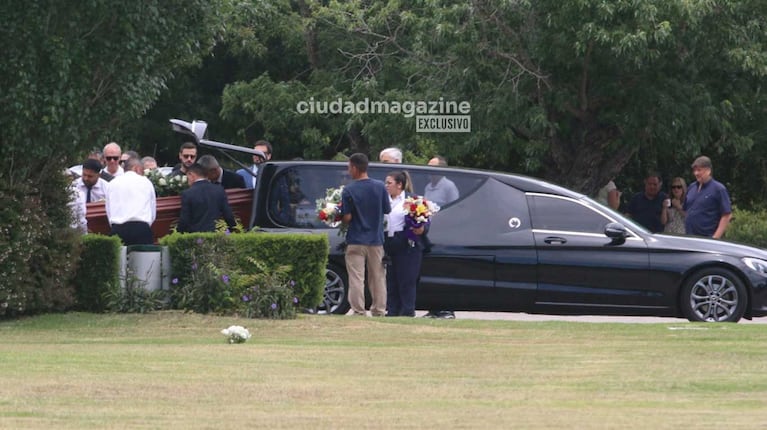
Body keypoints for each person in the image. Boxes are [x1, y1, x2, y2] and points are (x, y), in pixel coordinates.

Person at [340, 153, 391, 317]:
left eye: (349, 167)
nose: (348, 171)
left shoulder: (349, 189)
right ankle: (379, 309)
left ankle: (358, 310)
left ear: (355, 167)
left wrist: (338, 216)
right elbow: (387, 210)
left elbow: (347, 217)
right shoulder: (380, 187)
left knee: (356, 277)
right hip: (376, 240)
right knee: (377, 277)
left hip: (356, 239)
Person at [384, 171, 427, 317]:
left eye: (389, 183)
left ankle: (407, 311)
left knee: (406, 280)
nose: (386, 186)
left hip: (407, 243)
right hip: (389, 242)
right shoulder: (384, 199)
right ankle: (392, 311)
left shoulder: (412, 200)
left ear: (399, 185)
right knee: (391, 281)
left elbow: (423, 219)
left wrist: (421, 228)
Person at [105, 158, 156, 245]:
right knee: (143, 258)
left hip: (118, 228)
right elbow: (152, 209)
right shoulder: (146, 182)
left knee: (119, 258)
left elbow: (108, 209)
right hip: (141, 229)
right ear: (137, 168)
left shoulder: (112, 183)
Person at [177, 163, 237, 233]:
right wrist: (234, 230)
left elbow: (184, 220)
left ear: (191, 175)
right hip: (216, 234)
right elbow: (228, 215)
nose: (188, 181)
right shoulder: (219, 190)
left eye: (187, 177)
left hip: (197, 236)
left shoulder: (187, 193)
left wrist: (178, 234)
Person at [684, 156, 732, 239]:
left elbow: (727, 215)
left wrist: (715, 238)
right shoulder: (692, 187)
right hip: (690, 237)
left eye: (699, 170)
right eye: (694, 170)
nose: (696, 173)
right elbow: (686, 210)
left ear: (708, 170)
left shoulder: (718, 189)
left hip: (707, 238)